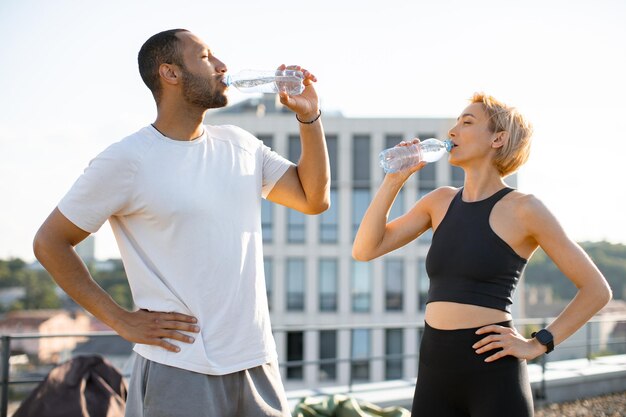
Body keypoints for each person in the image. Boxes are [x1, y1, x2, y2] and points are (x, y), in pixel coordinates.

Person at [33, 28, 330, 417]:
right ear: (170, 73)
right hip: (180, 365)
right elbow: (50, 242)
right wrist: (121, 321)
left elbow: (313, 199)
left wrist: (310, 118)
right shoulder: (127, 159)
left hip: (256, 360)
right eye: (206, 57)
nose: (223, 66)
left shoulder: (240, 144)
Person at [352, 93, 612, 417]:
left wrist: (537, 343)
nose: (452, 132)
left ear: (498, 139)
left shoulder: (525, 209)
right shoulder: (439, 202)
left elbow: (597, 290)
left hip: (494, 375)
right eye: (456, 123)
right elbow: (365, 249)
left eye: (467, 122)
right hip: (434, 370)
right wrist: (393, 181)